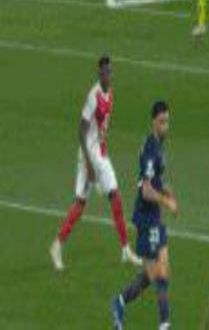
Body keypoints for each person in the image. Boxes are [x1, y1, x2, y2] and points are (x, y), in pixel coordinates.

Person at [49, 55, 141, 271]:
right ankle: (57, 246)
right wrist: (90, 165)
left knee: (115, 197)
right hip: (88, 155)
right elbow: (81, 130)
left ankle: (125, 249)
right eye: (104, 72)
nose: (107, 75)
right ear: (99, 74)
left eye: (109, 71)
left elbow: (101, 129)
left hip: (100, 153)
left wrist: (101, 156)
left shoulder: (110, 94)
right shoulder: (94, 96)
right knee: (80, 204)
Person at [112, 100, 178, 330]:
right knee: (157, 273)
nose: (165, 126)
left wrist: (166, 189)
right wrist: (167, 202)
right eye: (161, 122)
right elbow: (146, 191)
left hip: (155, 217)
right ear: (153, 122)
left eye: (167, 121)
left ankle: (122, 302)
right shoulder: (150, 149)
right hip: (146, 218)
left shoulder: (159, 145)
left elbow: (154, 180)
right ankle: (163, 323)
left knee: (161, 270)